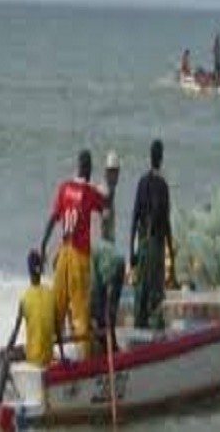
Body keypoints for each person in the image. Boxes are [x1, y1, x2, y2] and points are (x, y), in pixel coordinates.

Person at [39, 149, 106, 359]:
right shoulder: (89, 192)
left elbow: (53, 218)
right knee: (79, 313)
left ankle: (48, 353)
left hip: (63, 253)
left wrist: (43, 246)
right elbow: (105, 204)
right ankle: (85, 359)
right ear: (89, 169)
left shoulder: (64, 187)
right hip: (79, 256)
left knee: (58, 307)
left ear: (78, 166)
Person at [0, 249, 64, 404]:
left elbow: (15, 333)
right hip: (48, 354)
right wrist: (61, 353)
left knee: (5, 359)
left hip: (34, 356)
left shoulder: (25, 298)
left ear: (28, 270)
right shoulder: (51, 293)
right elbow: (58, 331)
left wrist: (7, 350)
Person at [129, 140, 176, 329]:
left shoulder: (142, 182)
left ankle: (138, 330)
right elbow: (166, 224)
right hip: (156, 246)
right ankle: (156, 335)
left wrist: (131, 251)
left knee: (141, 291)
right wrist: (171, 255)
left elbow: (134, 218)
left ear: (150, 158)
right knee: (156, 294)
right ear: (161, 158)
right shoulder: (163, 186)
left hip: (142, 245)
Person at [90, 151, 125, 354]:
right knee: (105, 301)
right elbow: (102, 219)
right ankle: (107, 342)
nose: (115, 176)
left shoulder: (109, 190)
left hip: (105, 250)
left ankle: (103, 340)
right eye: (112, 172)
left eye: (117, 172)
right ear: (107, 172)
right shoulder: (105, 191)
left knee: (102, 301)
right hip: (102, 254)